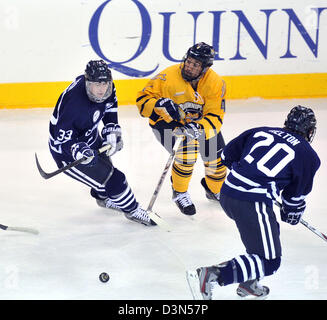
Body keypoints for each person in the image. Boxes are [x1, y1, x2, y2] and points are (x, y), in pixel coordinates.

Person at [189, 106, 320, 299]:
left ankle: (249, 283)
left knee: (267, 234)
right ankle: (213, 275)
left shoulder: (260, 131)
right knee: (270, 261)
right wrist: (291, 213)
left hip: (227, 193)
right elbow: (293, 200)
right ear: (310, 131)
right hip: (251, 202)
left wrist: (247, 171)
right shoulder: (309, 156)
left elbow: (225, 156)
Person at [48, 59, 155, 227]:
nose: (101, 89)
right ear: (87, 82)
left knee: (106, 176)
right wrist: (77, 150)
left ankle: (103, 198)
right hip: (67, 154)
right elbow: (62, 141)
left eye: (104, 84)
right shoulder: (74, 105)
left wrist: (112, 128)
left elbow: (110, 106)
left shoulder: (107, 88)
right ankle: (133, 210)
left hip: (90, 137)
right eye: (97, 85)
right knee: (115, 179)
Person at [136, 42, 227, 215]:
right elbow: (141, 102)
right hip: (167, 123)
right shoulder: (167, 77)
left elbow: (216, 116)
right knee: (187, 153)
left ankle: (213, 189)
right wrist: (157, 104)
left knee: (216, 160)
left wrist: (199, 127)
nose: (190, 67)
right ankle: (180, 192)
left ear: (205, 68)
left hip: (200, 124)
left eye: (196, 65)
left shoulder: (216, 83)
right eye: (189, 61)